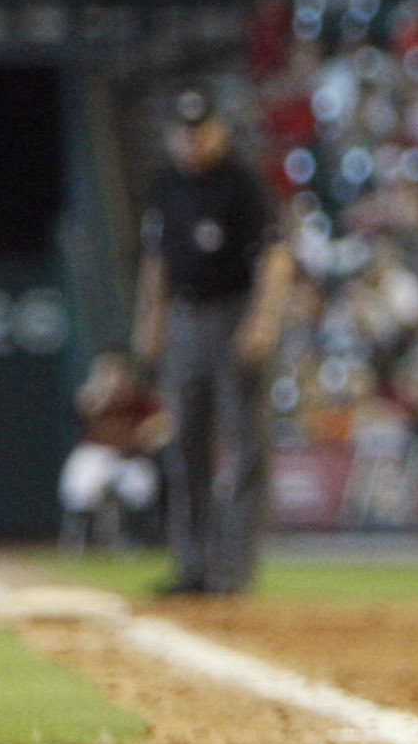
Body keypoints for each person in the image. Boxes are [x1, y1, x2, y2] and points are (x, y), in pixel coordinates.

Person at [134, 87, 293, 596]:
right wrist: (150, 320)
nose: (191, 141)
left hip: (233, 312)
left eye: (200, 130)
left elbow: (275, 255)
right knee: (184, 445)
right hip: (185, 317)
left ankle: (233, 570)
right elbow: (157, 259)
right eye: (183, 132)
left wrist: (263, 320)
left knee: (245, 444)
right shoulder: (165, 182)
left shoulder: (242, 182)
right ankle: (192, 567)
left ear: (217, 130)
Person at [59, 350, 165, 552]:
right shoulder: (91, 392)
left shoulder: (139, 396)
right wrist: (105, 390)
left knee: (141, 487)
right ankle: (77, 539)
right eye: (109, 370)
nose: (115, 376)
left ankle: (132, 538)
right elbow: (84, 407)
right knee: (81, 486)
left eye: (119, 370)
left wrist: (148, 432)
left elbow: (161, 420)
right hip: (96, 452)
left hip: (128, 456)